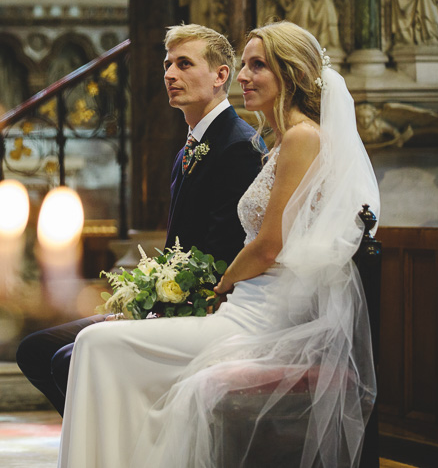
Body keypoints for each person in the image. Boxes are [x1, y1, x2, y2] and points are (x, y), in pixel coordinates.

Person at [57, 21, 380, 468]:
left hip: (259, 319)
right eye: (244, 65)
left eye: (257, 66)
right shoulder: (282, 140)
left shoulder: (303, 138)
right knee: (96, 345)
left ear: (289, 73)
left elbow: (269, 245)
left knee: (96, 345)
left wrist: (222, 285)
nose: (243, 76)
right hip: (244, 307)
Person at [16, 24, 263, 416]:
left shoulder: (238, 146)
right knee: (34, 349)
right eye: (167, 64)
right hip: (169, 300)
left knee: (67, 358)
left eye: (184, 64)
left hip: (204, 309)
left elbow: (221, 257)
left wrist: (155, 307)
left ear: (221, 76)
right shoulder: (188, 150)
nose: (169, 74)